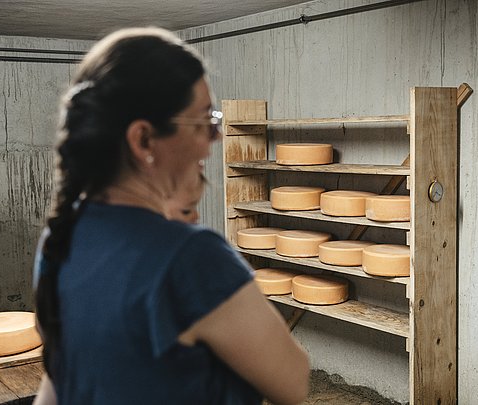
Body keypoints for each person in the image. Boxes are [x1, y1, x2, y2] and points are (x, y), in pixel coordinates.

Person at [33, 27, 309, 405]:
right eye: (202, 122)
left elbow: (59, 383)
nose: (215, 137)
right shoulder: (190, 257)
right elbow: (293, 381)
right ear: (143, 140)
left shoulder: (61, 237)